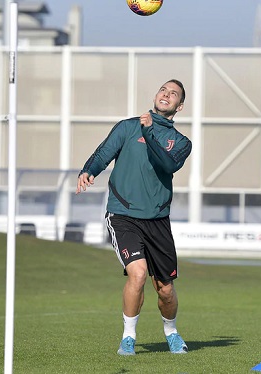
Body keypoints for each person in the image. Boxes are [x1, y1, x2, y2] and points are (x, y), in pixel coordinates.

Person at [76, 79, 192, 355]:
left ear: (179, 106)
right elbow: (104, 152)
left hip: (158, 220)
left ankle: (171, 332)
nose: (166, 95)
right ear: (156, 95)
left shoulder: (182, 143)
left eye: (173, 94)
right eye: (163, 90)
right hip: (123, 214)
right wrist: (88, 170)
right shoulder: (128, 126)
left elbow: (168, 164)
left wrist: (150, 133)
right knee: (137, 274)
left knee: (164, 289)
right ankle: (128, 337)